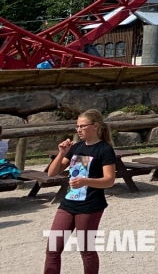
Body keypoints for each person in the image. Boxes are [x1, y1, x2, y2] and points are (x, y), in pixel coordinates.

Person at [44, 109, 117, 274]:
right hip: (68, 203)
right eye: (77, 126)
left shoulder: (105, 150)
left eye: (83, 126)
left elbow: (109, 180)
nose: (78, 129)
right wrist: (61, 153)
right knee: (53, 249)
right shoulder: (76, 147)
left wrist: (86, 181)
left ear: (95, 126)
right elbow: (51, 172)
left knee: (86, 250)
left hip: (90, 205)